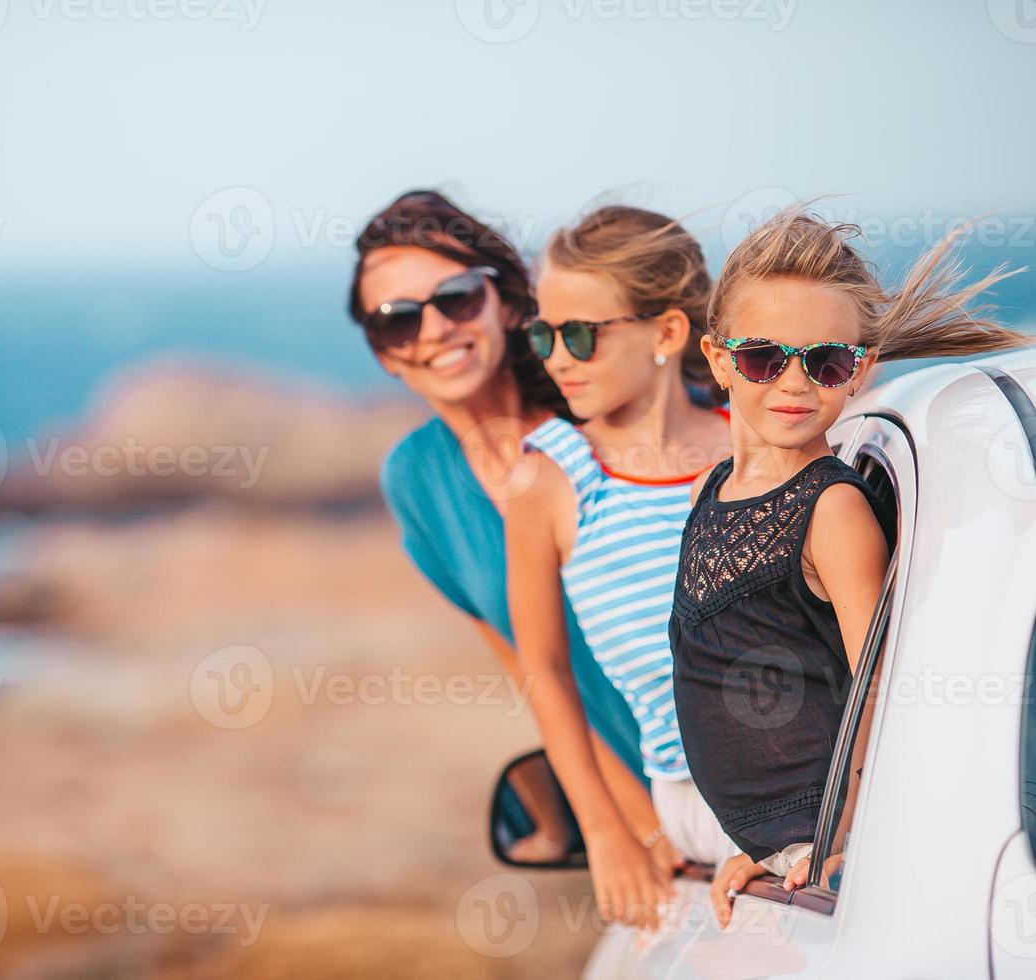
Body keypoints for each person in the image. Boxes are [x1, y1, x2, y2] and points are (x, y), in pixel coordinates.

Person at [669, 206, 1034, 927]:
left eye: (826, 361)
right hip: (781, 852)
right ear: (718, 361)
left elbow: (881, 689)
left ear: (860, 369)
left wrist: (837, 843)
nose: (795, 383)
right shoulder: (709, 487)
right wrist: (765, 851)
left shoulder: (831, 509)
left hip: (831, 847)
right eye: (763, 358)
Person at [347, 190, 669, 900]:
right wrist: (626, 829)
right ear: (385, 355)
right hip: (654, 810)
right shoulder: (416, 481)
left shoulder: (600, 418)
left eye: (456, 298)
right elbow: (538, 675)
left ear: (509, 304)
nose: (433, 329)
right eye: (399, 319)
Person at [505, 205, 736, 931]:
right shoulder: (550, 483)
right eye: (544, 334)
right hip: (702, 805)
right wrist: (607, 831)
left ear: (667, 333)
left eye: (579, 335)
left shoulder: (755, 446)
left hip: (825, 778)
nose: (556, 358)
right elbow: (541, 666)